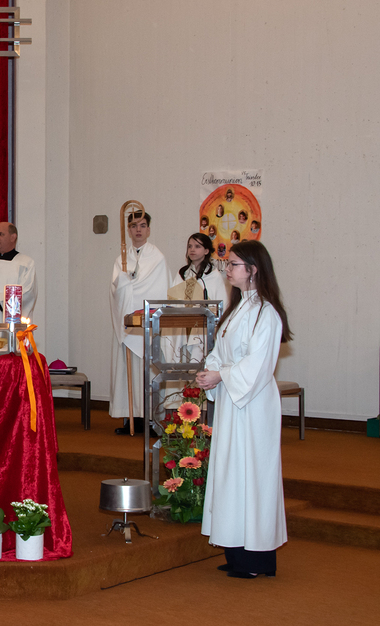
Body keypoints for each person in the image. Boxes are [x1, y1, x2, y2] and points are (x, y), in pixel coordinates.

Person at [195, 240, 292, 579]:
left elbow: (258, 365)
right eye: (228, 263)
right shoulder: (236, 309)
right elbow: (221, 351)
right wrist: (211, 371)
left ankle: (256, 558)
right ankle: (237, 550)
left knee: (252, 476)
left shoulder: (266, 313)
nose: (227, 269)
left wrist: (222, 375)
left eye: (233, 264)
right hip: (232, 404)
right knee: (231, 475)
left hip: (253, 407)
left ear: (253, 269)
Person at [110, 211, 171, 434]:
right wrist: (125, 285)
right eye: (134, 225)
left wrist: (131, 287)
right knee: (127, 372)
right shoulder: (121, 259)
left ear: (149, 229)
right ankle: (130, 419)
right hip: (128, 326)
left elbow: (159, 289)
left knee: (149, 371)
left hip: (147, 326)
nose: (138, 230)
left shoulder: (157, 258)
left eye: (143, 225)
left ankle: (152, 420)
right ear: (128, 230)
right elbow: (115, 290)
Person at [165, 233, 229, 364]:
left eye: (197, 246)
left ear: (206, 251)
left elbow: (222, 305)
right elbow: (173, 301)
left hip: (204, 326)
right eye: (190, 246)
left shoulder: (213, 275)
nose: (192, 249)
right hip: (182, 326)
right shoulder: (182, 274)